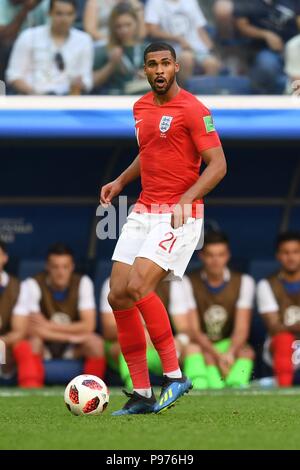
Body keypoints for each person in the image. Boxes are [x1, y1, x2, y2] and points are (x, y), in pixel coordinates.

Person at [100, 41, 226, 415]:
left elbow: (218, 165)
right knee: (117, 295)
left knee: (139, 286)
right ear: (144, 70)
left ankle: (174, 376)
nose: (158, 70)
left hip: (180, 212)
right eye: (152, 64)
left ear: (177, 67)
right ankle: (141, 394)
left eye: (165, 64)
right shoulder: (139, 108)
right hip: (144, 208)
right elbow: (151, 150)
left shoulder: (194, 109)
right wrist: (121, 180)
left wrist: (187, 198)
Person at [179, 231, 255, 389]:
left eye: (220, 255)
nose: (215, 260)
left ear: (228, 256)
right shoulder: (188, 282)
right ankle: (200, 387)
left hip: (227, 344)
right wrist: (216, 355)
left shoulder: (244, 281)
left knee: (246, 351)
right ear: (202, 256)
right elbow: (193, 329)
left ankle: (236, 388)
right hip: (202, 344)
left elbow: (242, 329)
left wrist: (230, 353)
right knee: (193, 349)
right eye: (210, 255)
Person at [22, 243, 106, 385]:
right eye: (55, 267)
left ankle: (92, 389)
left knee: (96, 344)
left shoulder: (83, 282)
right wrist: (70, 336)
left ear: (72, 267)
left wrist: (48, 325)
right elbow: (33, 329)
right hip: (46, 345)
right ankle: (32, 389)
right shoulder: (33, 284)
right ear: (47, 267)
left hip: (73, 347)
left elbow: (89, 325)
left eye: (65, 267)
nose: (60, 272)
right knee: (31, 343)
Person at [100, 276, 194, 389]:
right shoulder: (116, 280)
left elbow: (185, 328)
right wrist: (138, 332)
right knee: (124, 347)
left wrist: (180, 340)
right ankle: (138, 392)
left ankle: (197, 390)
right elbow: (108, 331)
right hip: (129, 345)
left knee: (193, 349)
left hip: (162, 346)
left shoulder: (173, 283)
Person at [6, 0, 93, 95]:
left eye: (69, 14)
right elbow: (13, 75)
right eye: (59, 14)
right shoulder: (28, 36)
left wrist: (78, 84)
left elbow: (86, 79)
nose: (64, 19)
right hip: (31, 99)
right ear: (49, 13)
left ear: (75, 15)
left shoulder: (84, 40)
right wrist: (34, 94)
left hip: (67, 100)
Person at [257, 231, 300, 387]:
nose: (291, 257)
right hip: (280, 346)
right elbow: (275, 327)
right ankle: (284, 391)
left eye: (296, 252)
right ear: (278, 256)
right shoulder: (267, 284)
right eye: (286, 252)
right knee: (283, 338)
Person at [145, 0, 221, 83]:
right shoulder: (155, 3)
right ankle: (183, 94)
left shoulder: (191, 1)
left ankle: (205, 93)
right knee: (186, 58)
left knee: (212, 63)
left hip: (196, 48)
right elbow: (152, 31)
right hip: (171, 49)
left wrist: (211, 50)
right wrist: (178, 39)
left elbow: (200, 30)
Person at [0, 241, 42, 387]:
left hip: (4, 347)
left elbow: (19, 331)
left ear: (4, 257)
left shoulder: (18, 287)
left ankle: (31, 391)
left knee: (24, 344)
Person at [234, 0, 300, 94]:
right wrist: (266, 35)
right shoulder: (247, 2)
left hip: (294, 46)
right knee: (267, 65)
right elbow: (242, 26)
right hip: (263, 48)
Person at [93, 2, 149, 94]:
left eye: (128, 25)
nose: (124, 30)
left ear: (136, 24)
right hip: (117, 99)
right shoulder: (104, 51)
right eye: (119, 26)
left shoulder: (148, 49)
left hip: (144, 97)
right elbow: (92, 83)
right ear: (112, 28)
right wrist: (111, 65)